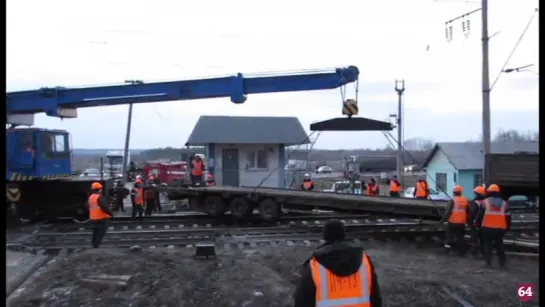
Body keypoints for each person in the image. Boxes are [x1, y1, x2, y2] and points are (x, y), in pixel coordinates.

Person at [294, 219, 382, 307]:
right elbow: (375, 296)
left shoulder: (315, 264)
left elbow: (303, 300)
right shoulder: (364, 260)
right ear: (343, 235)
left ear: (325, 236)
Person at [475, 184, 510, 268]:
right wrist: (507, 228)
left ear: (489, 192)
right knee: (499, 245)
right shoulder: (504, 203)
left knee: (488, 245)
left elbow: (479, 216)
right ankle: (502, 264)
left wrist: (477, 225)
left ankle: (488, 263)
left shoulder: (485, 202)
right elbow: (508, 217)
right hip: (500, 228)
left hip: (487, 227)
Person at [440, 185, 469, 255]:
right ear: (460, 192)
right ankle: (462, 252)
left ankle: (447, 251)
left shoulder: (452, 200)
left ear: (454, 192)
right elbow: (468, 211)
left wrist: (443, 219)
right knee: (461, 237)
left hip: (452, 222)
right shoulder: (465, 200)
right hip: (462, 222)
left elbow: (447, 211)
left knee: (449, 237)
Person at [88, 182, 114, 248]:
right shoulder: (99, 197)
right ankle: (96, 245)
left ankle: (94, 244)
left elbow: (87, 206)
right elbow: (105, 207)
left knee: (95, 231)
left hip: (93, 217)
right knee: (101, 232)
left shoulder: (91, 197)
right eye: (101, 189)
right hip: (101, 217)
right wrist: (111, 213)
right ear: (99, 189)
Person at [469, 186, 486, 257]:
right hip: (484, 223)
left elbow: (472, 212)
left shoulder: (475, 202)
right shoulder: (486, 202)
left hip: (476, 222)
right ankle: (484, 253)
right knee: (483, 239)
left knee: (474, 239)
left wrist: (470, 222)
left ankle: (474, 253)